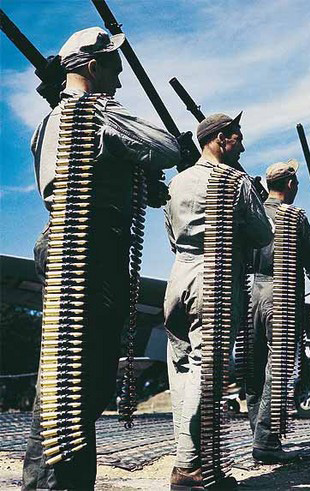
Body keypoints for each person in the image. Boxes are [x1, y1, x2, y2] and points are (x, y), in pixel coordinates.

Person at [22, 27, 180, 490]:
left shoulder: (55, 119)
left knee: (71, 385)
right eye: (114, 65)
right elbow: (167, 146)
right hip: (88, 244)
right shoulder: (98, 113)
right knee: (68, 388)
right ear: (92, 66)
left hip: (75, 239)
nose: (120, 78)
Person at [164, 112, 272, 489]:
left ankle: (188, 459)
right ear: (221, 139)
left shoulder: (176, 182)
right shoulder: (235, 180)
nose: (242, 145)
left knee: (180, 367)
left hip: (179, 275)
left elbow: (171, 235)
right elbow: (263, 234)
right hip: (216, 274)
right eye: (237, 137)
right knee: (204, 368)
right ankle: (191, 467)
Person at [248, 159, 310, 463]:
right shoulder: (295, 216)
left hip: (251, 290)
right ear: (290, 185)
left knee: (253, 367)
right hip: (283, 291)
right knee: (279, 368)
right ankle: (266, 442)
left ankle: (259, 433)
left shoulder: (251, 210)